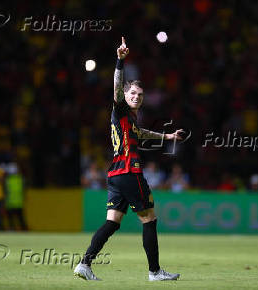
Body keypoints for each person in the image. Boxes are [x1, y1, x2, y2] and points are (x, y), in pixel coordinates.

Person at [74, 37, 183, 281]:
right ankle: (154, 272)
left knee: (112, 222)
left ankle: (84, 264)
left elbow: (142, 133)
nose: (137, 97)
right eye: (132, 93)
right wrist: (120, 61)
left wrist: (166, 135)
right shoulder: (120, 108)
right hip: (129, 172)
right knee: (150, 219)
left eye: (140, 95)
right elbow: (116, 87)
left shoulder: (129, 120)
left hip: (115, 174)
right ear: (125, 95)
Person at [3, 162, 27, 231]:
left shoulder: (7, 180)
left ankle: (12, 229)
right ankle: (24, 230)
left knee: (11, 218)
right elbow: (24, 190)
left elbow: (5, 191)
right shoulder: (21, 179)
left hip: (10, 202)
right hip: (19, 202)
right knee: (20, 218)